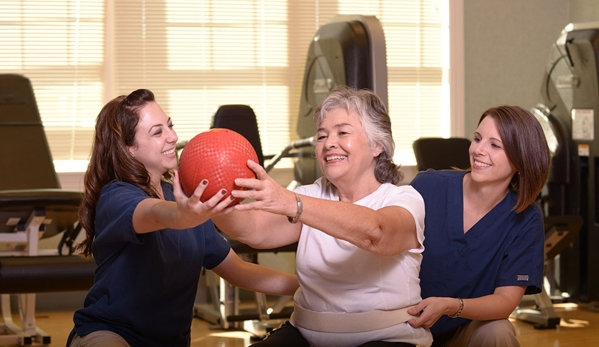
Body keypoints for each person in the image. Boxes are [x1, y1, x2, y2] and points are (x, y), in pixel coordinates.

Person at [66, 89, 299, 347]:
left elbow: (238, 270)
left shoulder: (188, 204)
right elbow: (153, 213)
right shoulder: (116, 196)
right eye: (157, 132)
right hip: (111, 334)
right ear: (128, 148)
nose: (173, 137)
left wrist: (306, 287)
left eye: (170, 126)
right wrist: (182, 215)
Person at [213, 86, 433, 347]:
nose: (329, 143)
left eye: (342, 132)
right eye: (321, 136)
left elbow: (379, 233)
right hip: (304, 335)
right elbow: (254, 231)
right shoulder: (311, 194)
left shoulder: (404, 198)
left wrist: (292, 202)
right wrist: (215, 204)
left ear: (377, 145)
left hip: (387, 338)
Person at [407, 105, 551, 346]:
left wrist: (451, 306)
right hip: (404, 325)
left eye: (495, 145)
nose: (478, 150)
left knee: (498, 331)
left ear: (520, 159)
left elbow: (505, 301)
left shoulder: (526, 218)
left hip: (461, 331)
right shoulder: (428, 187)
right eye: (477, 139)